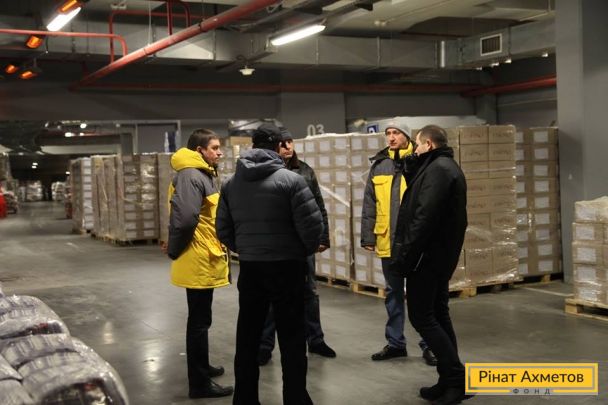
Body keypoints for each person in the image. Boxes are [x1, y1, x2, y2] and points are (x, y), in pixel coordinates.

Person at [216, 123, 323, 405]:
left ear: (253, 146)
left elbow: (223, 229)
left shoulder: (231, 183)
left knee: (248, 335)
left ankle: (245, 399)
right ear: (278, 147)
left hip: (251, 268)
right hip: (287, 267)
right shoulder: (292, 181)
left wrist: (247, 249)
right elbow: (312, 228)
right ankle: (295, 398)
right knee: (292, 337)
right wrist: (300, 251)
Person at [390, 125, 470, 405]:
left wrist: (406, 256)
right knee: (438, 313)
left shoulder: (439, 170)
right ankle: (447, 379)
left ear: (429, 145)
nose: (415, 149)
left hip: (428, 256)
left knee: (422, 316)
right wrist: (413, 164)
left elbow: (423, 217)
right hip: (438, 255)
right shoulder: (439, 167)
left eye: (418, 144)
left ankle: (456, 380)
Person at [257, 128, 336, 366]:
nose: (287, 146)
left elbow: (318, 206)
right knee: (272, 295)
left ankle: (316, 340)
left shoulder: (305, 171)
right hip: (275, 244)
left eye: (290, 142)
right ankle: (264, 346)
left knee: (309, 292)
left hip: (302, 244)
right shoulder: (264, 172)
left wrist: (323, 237)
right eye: (282, 143)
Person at [165, 129, 233, 399]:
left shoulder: (202, 174)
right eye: (214, 148)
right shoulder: (192, 176)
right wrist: (174, 249)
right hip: (198, 258)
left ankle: (202, 368)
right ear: (199, 151)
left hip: (205, 256)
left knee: (202, 318)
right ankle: (199, 383)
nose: (220, 152)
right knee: (198, 322)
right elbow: (185, 220)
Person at [360, 123, 436, 366]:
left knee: (421, 295)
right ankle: (395, 344)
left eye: (396, 133)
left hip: (415, 242)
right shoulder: (380, 165)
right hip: (388, 240)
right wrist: (368, 237)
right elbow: (369, 203)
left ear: (407, 136)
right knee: (393, 294)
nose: (391, 138)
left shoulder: (421, 161)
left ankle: (429, 345)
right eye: (388, 134)